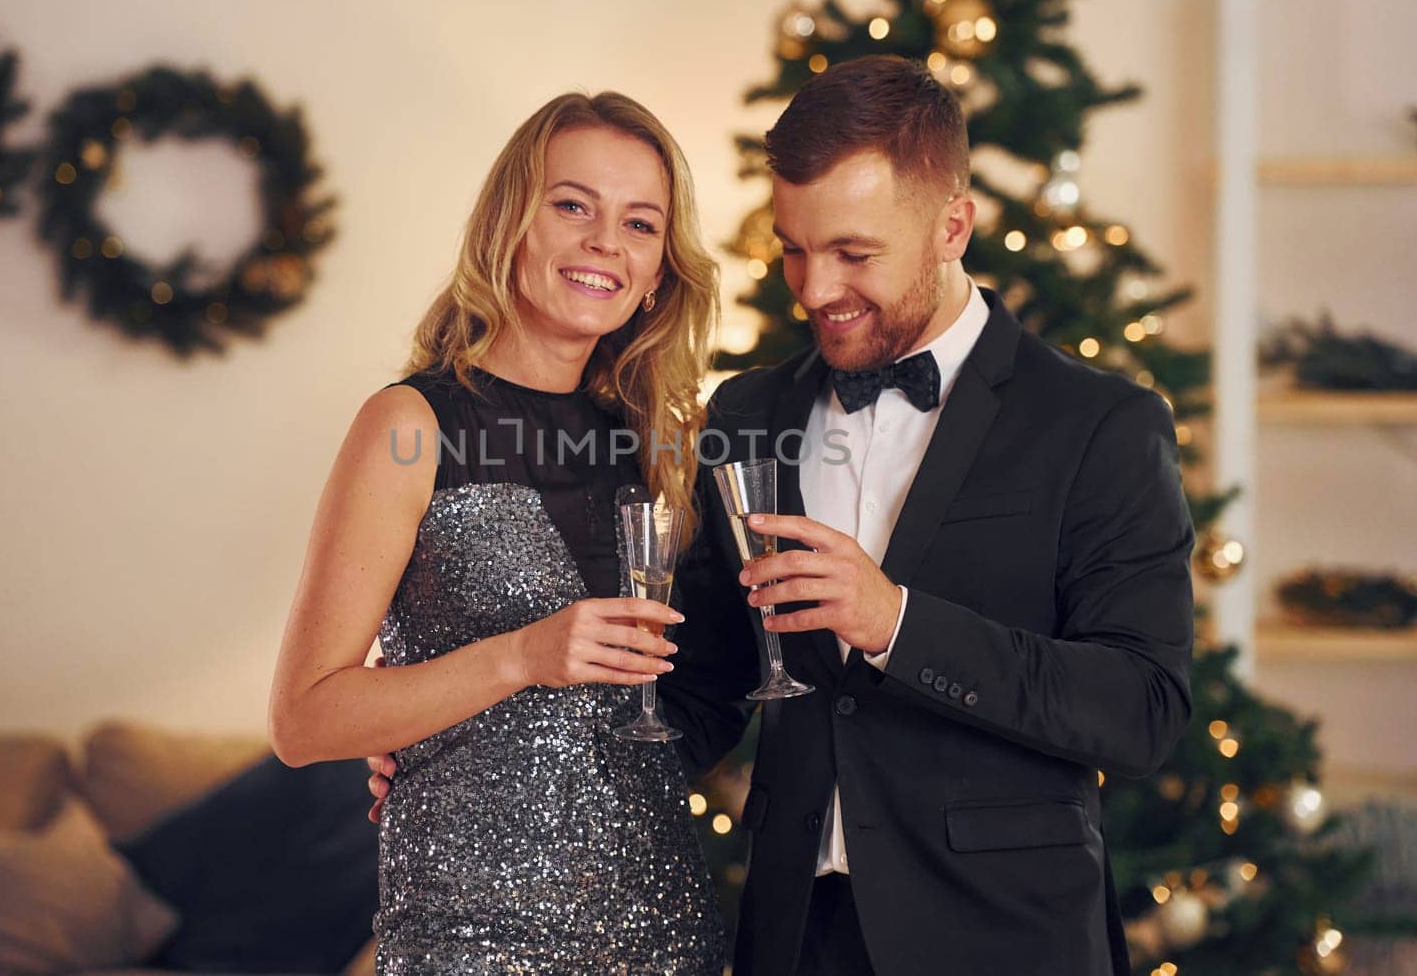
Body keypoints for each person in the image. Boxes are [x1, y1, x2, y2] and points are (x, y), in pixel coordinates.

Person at [656, 54, 1196, 975]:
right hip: (793, 940)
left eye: (854, 253)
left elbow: (1141, 709)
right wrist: (502, 756)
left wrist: (896, 623)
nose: (814, 288)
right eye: (792, 246)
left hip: (1007, 940)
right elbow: (702, 686)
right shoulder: (745, 415)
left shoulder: (1101, 424)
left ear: (954, 224)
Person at [269, 91, 726, 973]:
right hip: (472, 938)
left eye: (639, 224)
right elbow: (302, 717)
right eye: (572, 205)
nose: (604, 243)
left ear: (660, 270)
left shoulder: (666, 444)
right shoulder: (408, 425)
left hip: (667, 933)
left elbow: (704, 694)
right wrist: (517, 660)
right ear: (511, 222)